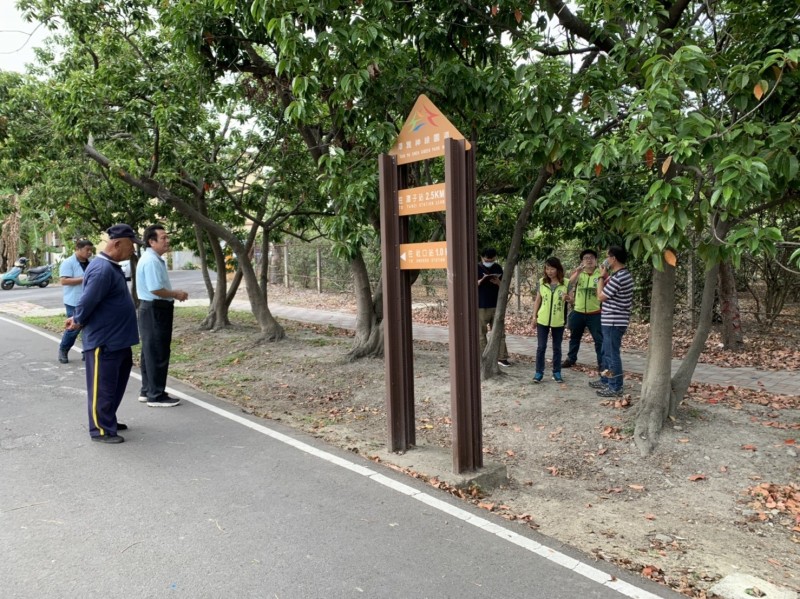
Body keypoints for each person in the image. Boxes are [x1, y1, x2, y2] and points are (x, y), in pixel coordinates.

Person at [65, 224, 141, 444]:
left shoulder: (110, 266)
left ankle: (108, 419)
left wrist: (77, 317)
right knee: (102, 386)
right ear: (117, 243)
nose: (133, 250)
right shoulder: (102, 268)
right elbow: (89, 299)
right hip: (105, 340)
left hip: (118, 339)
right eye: (131, 245)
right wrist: (78, 320)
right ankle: (100, 429)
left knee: (115, 384)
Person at [136, 224, 189, 407]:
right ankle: (156, 395)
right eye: (163, 238)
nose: (167, 241)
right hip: (155, 309)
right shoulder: (151, 261)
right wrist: (176, 293)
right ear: (151, 241)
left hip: (152, 308)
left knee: (150, 350)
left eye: (167, 237)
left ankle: (148, 389)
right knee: (157, 351)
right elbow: (156, 289)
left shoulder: (153, 258)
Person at [590, 245, 634, 397]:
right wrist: (604, 275)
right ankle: (606, 381)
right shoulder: (617, 275)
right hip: (610, 320)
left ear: (614, 258)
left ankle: (615, 387)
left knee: (611, 355)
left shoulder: (621, 277)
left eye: (608, 256)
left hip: (614, 322)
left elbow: (601, 296)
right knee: (605, 352)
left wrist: (601, 277)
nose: (606, 259)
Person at [562, 249, 603, 371]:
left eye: (591, 257)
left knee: (599, 340)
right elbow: (568, 284)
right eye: (586, 258)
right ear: (582, 261)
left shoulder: (600, 274)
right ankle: (571, 359)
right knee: (574, 337)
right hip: (578, 312)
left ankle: (602, 364)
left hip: (595, 313)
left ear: (596, 260)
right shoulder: (579, 274)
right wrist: (577, 272)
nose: (589, 260)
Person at [532, 257, 568, 383]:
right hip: (542, 320)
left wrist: (568, 298)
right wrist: (534, 317)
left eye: (552, 268)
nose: (549, 271)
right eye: (547, 268)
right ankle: (538, 372)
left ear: (558, 269)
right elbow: (538, 300)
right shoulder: (542, 282)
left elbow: (572, 300)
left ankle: (557, 372)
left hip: (558, 321)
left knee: (557, 347)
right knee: (541, 347)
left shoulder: (566, 283)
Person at [58, 239, 94, 363]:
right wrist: (83, 279)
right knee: (74, 328)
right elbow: (64, 281)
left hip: (90, 300)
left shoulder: (92, 263)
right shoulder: (68, 262)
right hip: (74, 301)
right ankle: (63, 349)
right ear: (78, 249)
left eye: (91, 250)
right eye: (87, 250)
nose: (89, 252)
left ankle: (87, 352)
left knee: (90, 328)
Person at [477, 247, 511, 367]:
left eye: (492, 259)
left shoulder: (497, 268)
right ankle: (484, 356)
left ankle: (502, 357)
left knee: (499, 332)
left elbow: (504, 286)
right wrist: (480, 281)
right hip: (481, 305)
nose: (489, 261)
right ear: (482, 258)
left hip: (496, 304)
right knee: (481, 333)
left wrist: (498, 282)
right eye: (487, 259)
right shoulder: (476, 268)